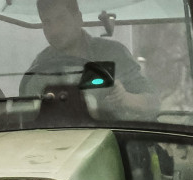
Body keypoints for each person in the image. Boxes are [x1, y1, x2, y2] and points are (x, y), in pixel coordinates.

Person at [22, 0, 158, 119]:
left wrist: (125, 98)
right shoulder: (40, 65)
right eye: (47, 22)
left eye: (61, 19)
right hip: (56, 139)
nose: (55, 30)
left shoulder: (112, 53)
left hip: (115, 138)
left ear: (78, 19)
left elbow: (153, 104)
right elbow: (27, 113)